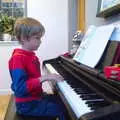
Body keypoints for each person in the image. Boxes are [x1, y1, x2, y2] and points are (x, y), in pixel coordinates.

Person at [8, 17, 67, 120]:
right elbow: (20, 88)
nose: (40, 41)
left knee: (63, 102)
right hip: (27, 105)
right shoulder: (18, 59)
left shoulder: (30, 56)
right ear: (24, 38)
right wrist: (45, 78)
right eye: (37, 38)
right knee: (62, 110)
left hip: (36, 97)